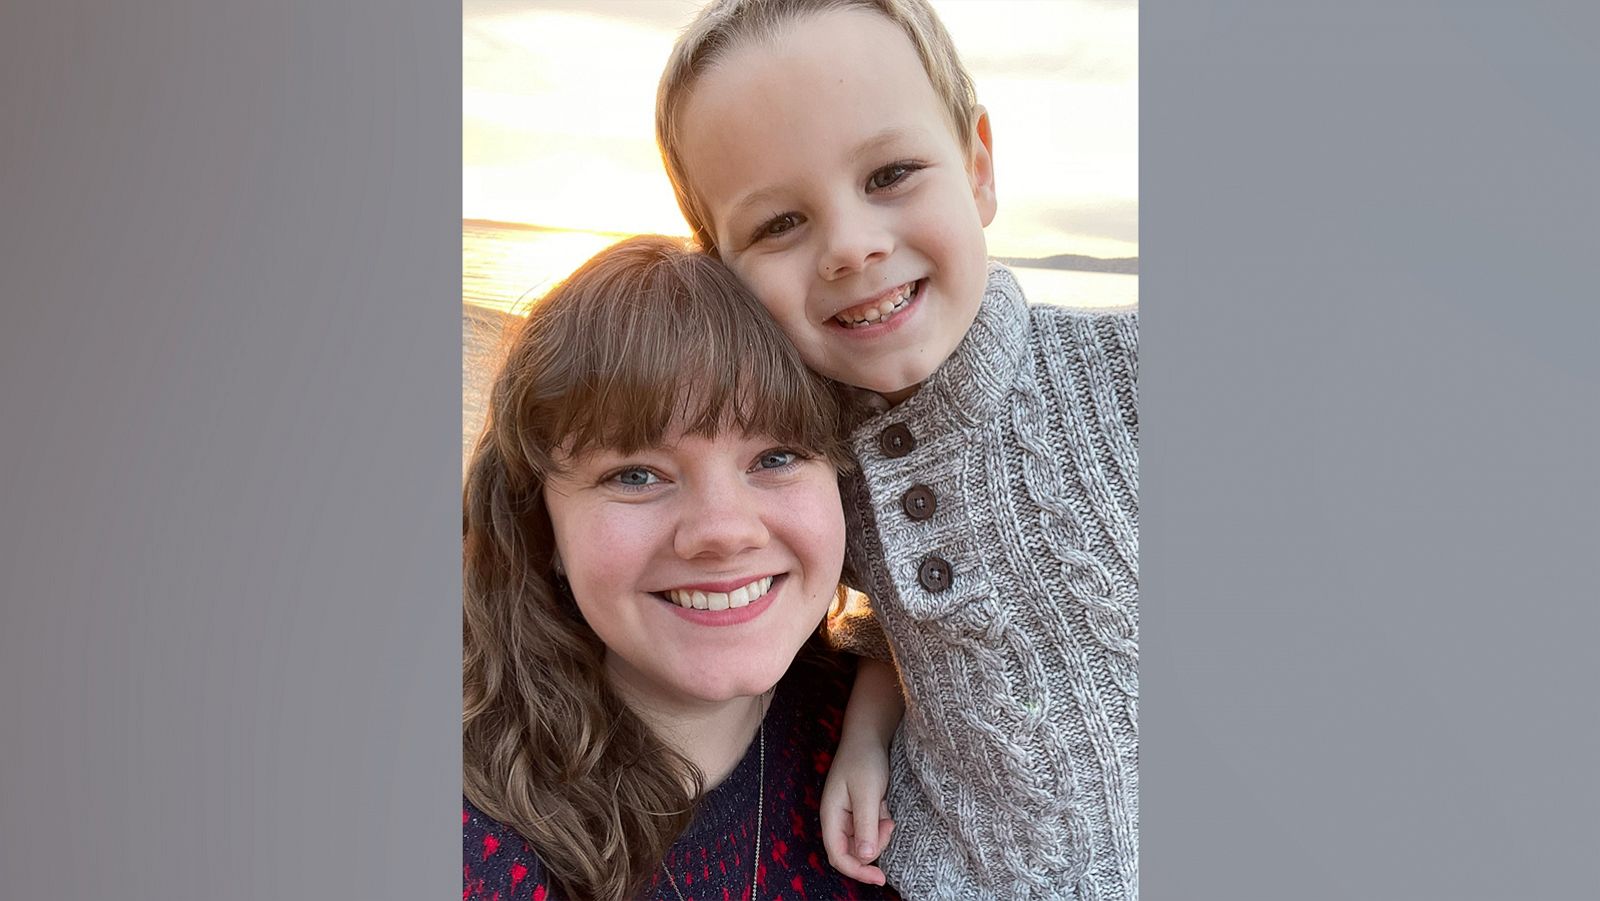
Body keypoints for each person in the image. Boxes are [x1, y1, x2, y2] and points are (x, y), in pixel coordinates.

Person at [655, 2, 1139, 898]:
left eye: (891, 173)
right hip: (943, 871)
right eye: (778, 224)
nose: (850, 246)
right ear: (721, 268)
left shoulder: (1124, 372)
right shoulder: (811, 459)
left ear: (979, 168)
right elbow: (902, 618)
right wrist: (869, 732)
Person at [462, 235, 901, 901]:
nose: (723, 531)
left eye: (776, 456)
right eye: (636, 474)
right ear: (540, 522)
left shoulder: (923, 755)